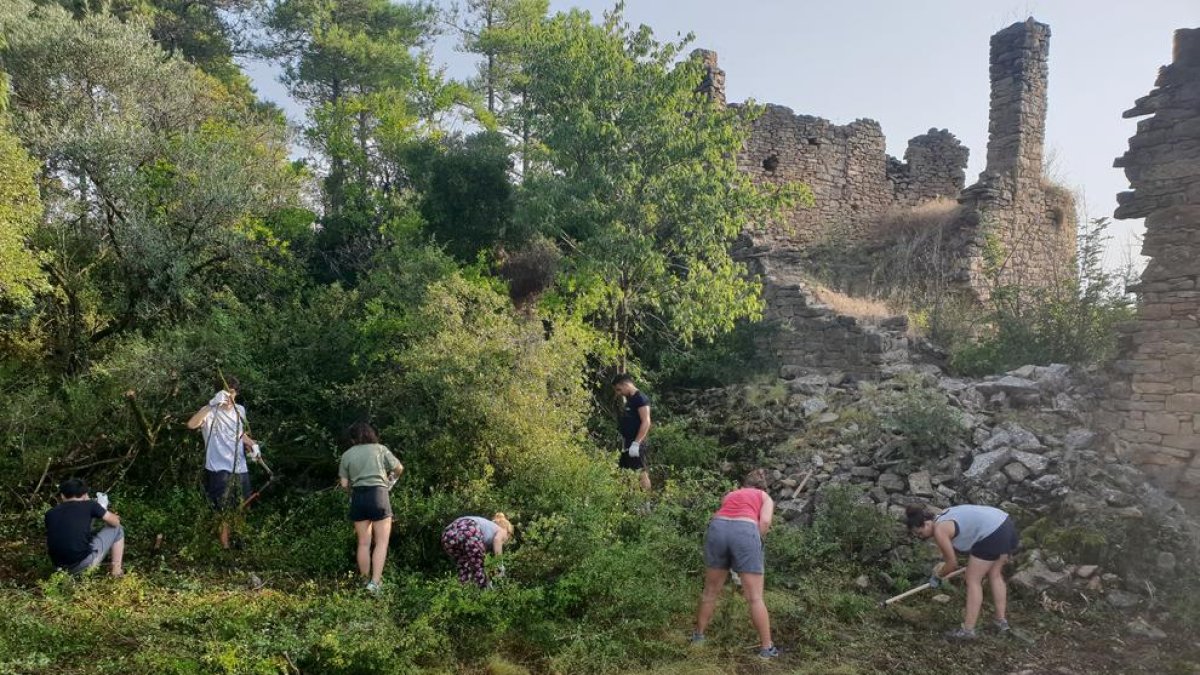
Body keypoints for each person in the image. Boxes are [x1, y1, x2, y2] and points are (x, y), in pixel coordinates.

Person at [691, 469, 778, 660]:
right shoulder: (764, 497)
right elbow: (764, 522)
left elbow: (724, 514)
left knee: (710, 591)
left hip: (718, 527)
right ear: (763, 486)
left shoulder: (731, 494)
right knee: (755, 597)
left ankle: (698, 636)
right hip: (745, 529)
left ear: (744, 484)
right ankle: (766, 648)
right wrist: (756, 542)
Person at [907, 503, 1020, 640]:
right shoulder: (943, 515)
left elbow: (952, 564)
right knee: (994, 574)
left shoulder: (939, 530)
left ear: (926, 523)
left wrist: (937, 576)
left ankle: (968, 630)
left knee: (972, 579)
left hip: (992, 533)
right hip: (1005, 524)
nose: (921, 537)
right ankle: (1001, 622)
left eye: (920, 533)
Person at [186, 376, 261, 549]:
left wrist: (253, 445)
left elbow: (239, 434)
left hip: (239, 466)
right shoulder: (210, 410)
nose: (229, 397)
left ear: (237, 393)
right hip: (218, 467)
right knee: (222, 509)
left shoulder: (240, 411)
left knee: (243, 504)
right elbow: (191, 425)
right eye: (225, 393)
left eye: (232, 393)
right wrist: (211, 404)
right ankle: (224, 548)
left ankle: (239, 540)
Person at [338, 422, 404, 594]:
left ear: (353, 438)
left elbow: (344, 484)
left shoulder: (347, 455)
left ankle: (363, 580)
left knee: (363, 542)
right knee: (381, 542)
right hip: (378, 495)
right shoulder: (380, 449)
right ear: (370, 434)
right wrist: (390, 480)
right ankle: (374, 584)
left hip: (358, 497)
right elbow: (399, 468)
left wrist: (352, 492)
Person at [45, 478, 124, 577]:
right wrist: (102, 508)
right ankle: (116, 572)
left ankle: (69, 576)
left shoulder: (50, 513)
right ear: (85, 494)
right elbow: (115, 522)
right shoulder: (90, 505)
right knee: (118, 529)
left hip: (58, 569)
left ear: (62, 496)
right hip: (83, 564)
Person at [441, 513, 514, 589]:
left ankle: (464, 590)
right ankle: (483, 592)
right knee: (478, 567)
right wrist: (500, 565)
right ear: (508, 532)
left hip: (448, 535)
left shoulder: (487, 529)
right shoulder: (502, 531)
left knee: (464, 566)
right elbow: (497, 540)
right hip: (469, 529)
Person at [612, 373, 652, 491]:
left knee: (641, 472)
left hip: (637, 443)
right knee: (624, 472)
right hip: (627, 443)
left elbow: (646, 422)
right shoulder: (629, 400)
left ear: (626, 384)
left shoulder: (640, 399)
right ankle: (629, 499)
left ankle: (646, 503)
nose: (619, 393)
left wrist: (636, 443)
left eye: (619, 389)